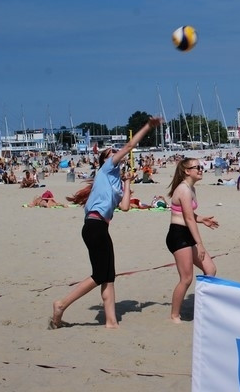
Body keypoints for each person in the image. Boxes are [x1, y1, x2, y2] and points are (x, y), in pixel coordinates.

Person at [50, 115, 163, 330]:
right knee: (100, 274)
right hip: (94, 226)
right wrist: (148, 126)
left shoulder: (117, 183)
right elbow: (130, 145)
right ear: (105, 160)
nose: (115, 153)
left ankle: (111, 321)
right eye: (111, 152)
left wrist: (128, 183)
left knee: (109, 276)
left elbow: (126, 207)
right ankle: (61, 304)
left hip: (101, 228)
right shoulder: (106, 169)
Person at [167, 157, 219, 323]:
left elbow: (188, 215)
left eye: (201, 166)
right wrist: (200, 244)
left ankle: (204, 307)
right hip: (178, 235)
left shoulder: (191, 189)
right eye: (197, 167)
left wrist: (202, 219)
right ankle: (175, 315)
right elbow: (188, 219)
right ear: (187, 171)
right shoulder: (184, 190)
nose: (201, 169)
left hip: (187, 232)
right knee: (186, 278)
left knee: (210, 269)